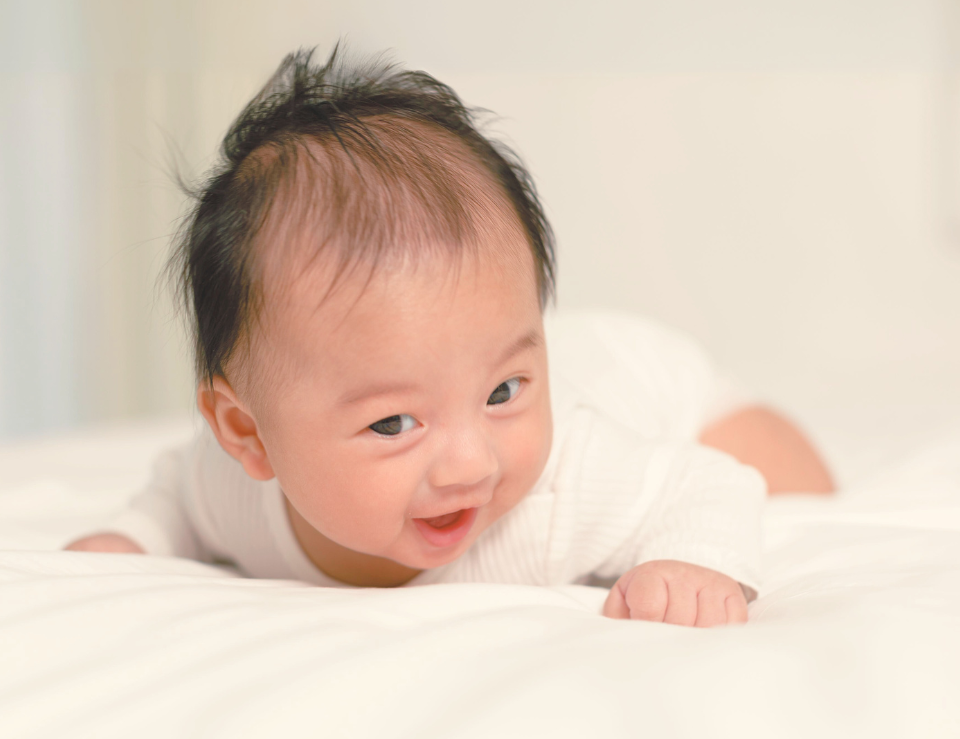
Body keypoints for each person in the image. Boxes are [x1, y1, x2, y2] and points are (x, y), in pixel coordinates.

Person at [67, 46, 834, 627]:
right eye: (393, 422)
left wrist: (693, 561)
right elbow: (176, 490)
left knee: (805, 487)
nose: (473, 463)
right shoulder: (232, 492)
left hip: (649, 377)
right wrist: (132, 536)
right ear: (247, 433)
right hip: (507, 356)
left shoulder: (566, 485)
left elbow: (710, 482)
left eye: (505, 393)